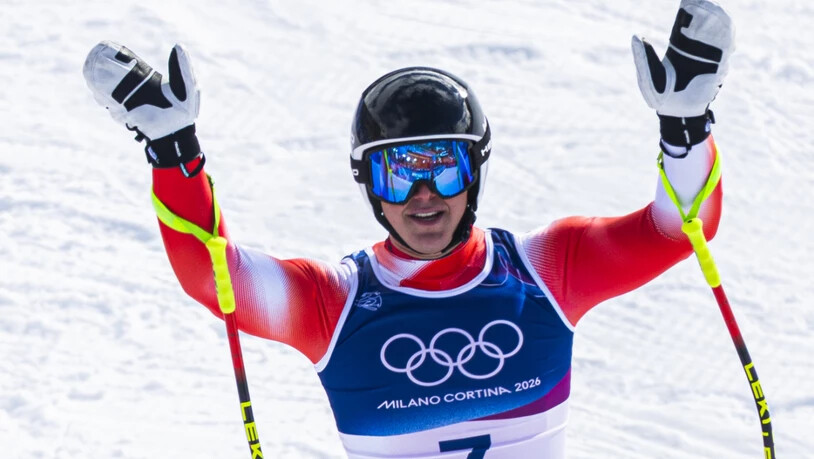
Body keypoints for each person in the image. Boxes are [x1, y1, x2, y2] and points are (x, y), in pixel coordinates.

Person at [82, 0, 734, 457]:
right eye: (397, 174)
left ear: (474, 172)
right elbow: (212, 274)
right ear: (368, 185)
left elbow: (679, 231)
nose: (423, 197)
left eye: (444, 170)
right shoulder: (331, 303)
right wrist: (174, 154)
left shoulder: (546, 270)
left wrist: (685, 131)